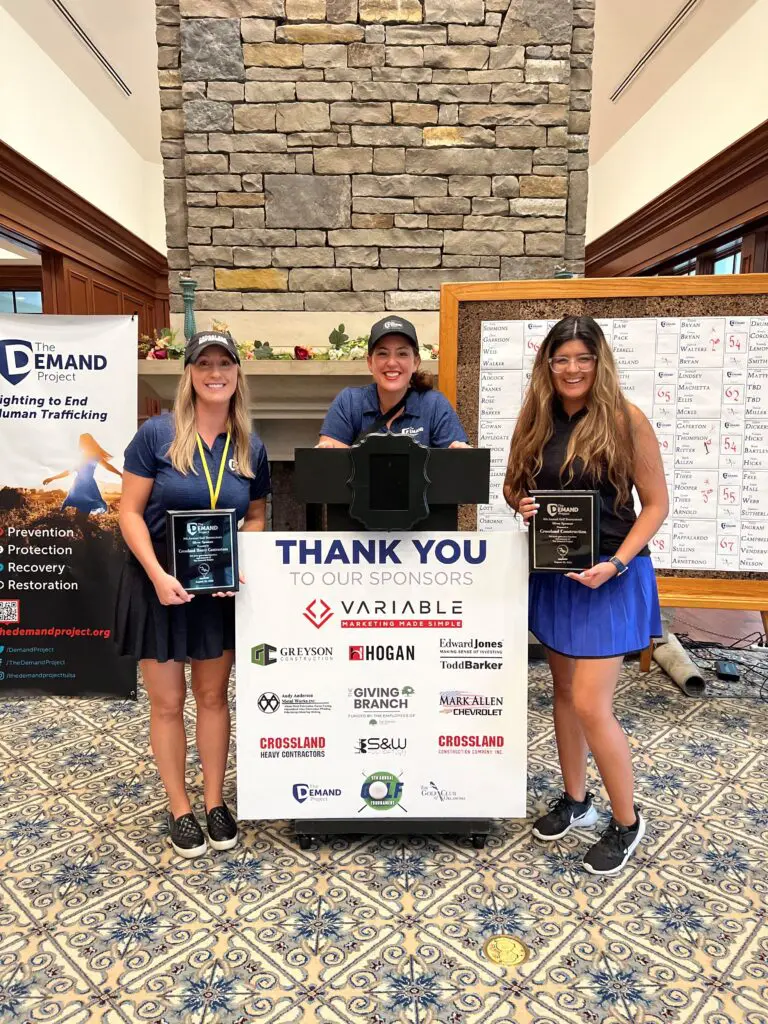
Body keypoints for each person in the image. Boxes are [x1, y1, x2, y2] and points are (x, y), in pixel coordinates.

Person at [503, 315, 668, 876]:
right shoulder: (536, 417)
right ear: (547, 365)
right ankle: (576, 799)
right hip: (556, 575)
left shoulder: (625, 419)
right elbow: (512, 484)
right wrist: (521, 503)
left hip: (612, 577)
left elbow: (656, 505)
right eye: (561, 359)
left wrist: (617, 563)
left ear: (599, 362)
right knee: (564, 694)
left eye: (582, 358)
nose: (572, 369)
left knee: (592, 705)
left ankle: (627, 821)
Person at [114, 330, 270, 859]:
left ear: (237, 374)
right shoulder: (156, 435)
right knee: (167, 702)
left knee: (212, 697)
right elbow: (129, 512)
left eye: (224, 363)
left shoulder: (250, 444)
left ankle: (214, 802)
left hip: (214, 591)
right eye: (204, 363)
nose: (215, 373)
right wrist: (158, 574)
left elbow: (256, 516)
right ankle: (180, 808)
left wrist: (237, 561)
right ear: (188, 374)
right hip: (157, 583)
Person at [317, 315, 470, 448]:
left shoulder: (435, 405)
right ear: (370, 362)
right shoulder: (349, 402)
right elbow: (332, 464)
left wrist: (461, 457)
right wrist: (325, 453)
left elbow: (455, 463)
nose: (391, 362)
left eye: (402, 354)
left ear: (416, 362)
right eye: (383, 353)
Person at [43, 433, 122, 515]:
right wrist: (52, 478)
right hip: (79, 486)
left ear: (88, 443)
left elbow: (107, 466)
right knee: (80, 516)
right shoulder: (82, 457)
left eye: (83, 442)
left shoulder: (93, 456)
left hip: (86, 487)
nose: (81, 443)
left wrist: (119, 473)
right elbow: (68, 472)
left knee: (81, 516)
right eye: (81, 441)